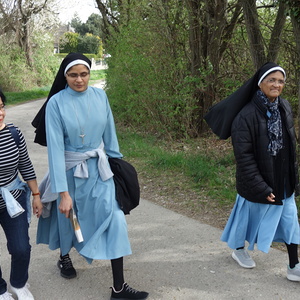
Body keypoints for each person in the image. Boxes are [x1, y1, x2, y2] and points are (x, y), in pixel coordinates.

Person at [31, 53, 149, 300]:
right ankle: (64, 257)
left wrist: (117, 168)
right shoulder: (56, 103)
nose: (79, 80)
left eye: (84, 74)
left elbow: (110, 134)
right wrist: (63, 193)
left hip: (99, 170)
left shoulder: (100, 96)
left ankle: (118, 288)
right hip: (69, 172)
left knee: (115, 219)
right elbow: (54, 150)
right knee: (69, 220)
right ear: (65, 76)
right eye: (73, 75)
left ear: (90, 74)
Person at [205, 62, 300, 280]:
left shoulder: (284, 107)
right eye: (272, 80)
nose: (277, 85)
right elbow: (244, 158)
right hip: (257, 178)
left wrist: (294, 179)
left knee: (291, 219)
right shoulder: (245, 116)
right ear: (260, 84)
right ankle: (238, 250)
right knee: (245, 216)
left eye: (281, 81)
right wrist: (259, 186)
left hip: (283, 178)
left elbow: (290, 146)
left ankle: (294, 266)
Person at [0, 89, 43, 300]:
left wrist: (36, 195)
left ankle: (18, 283)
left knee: (21, 247)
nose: (0, 113)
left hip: (13, 197)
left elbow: (25, 165)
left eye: (1, 107)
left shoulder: (14, 133)